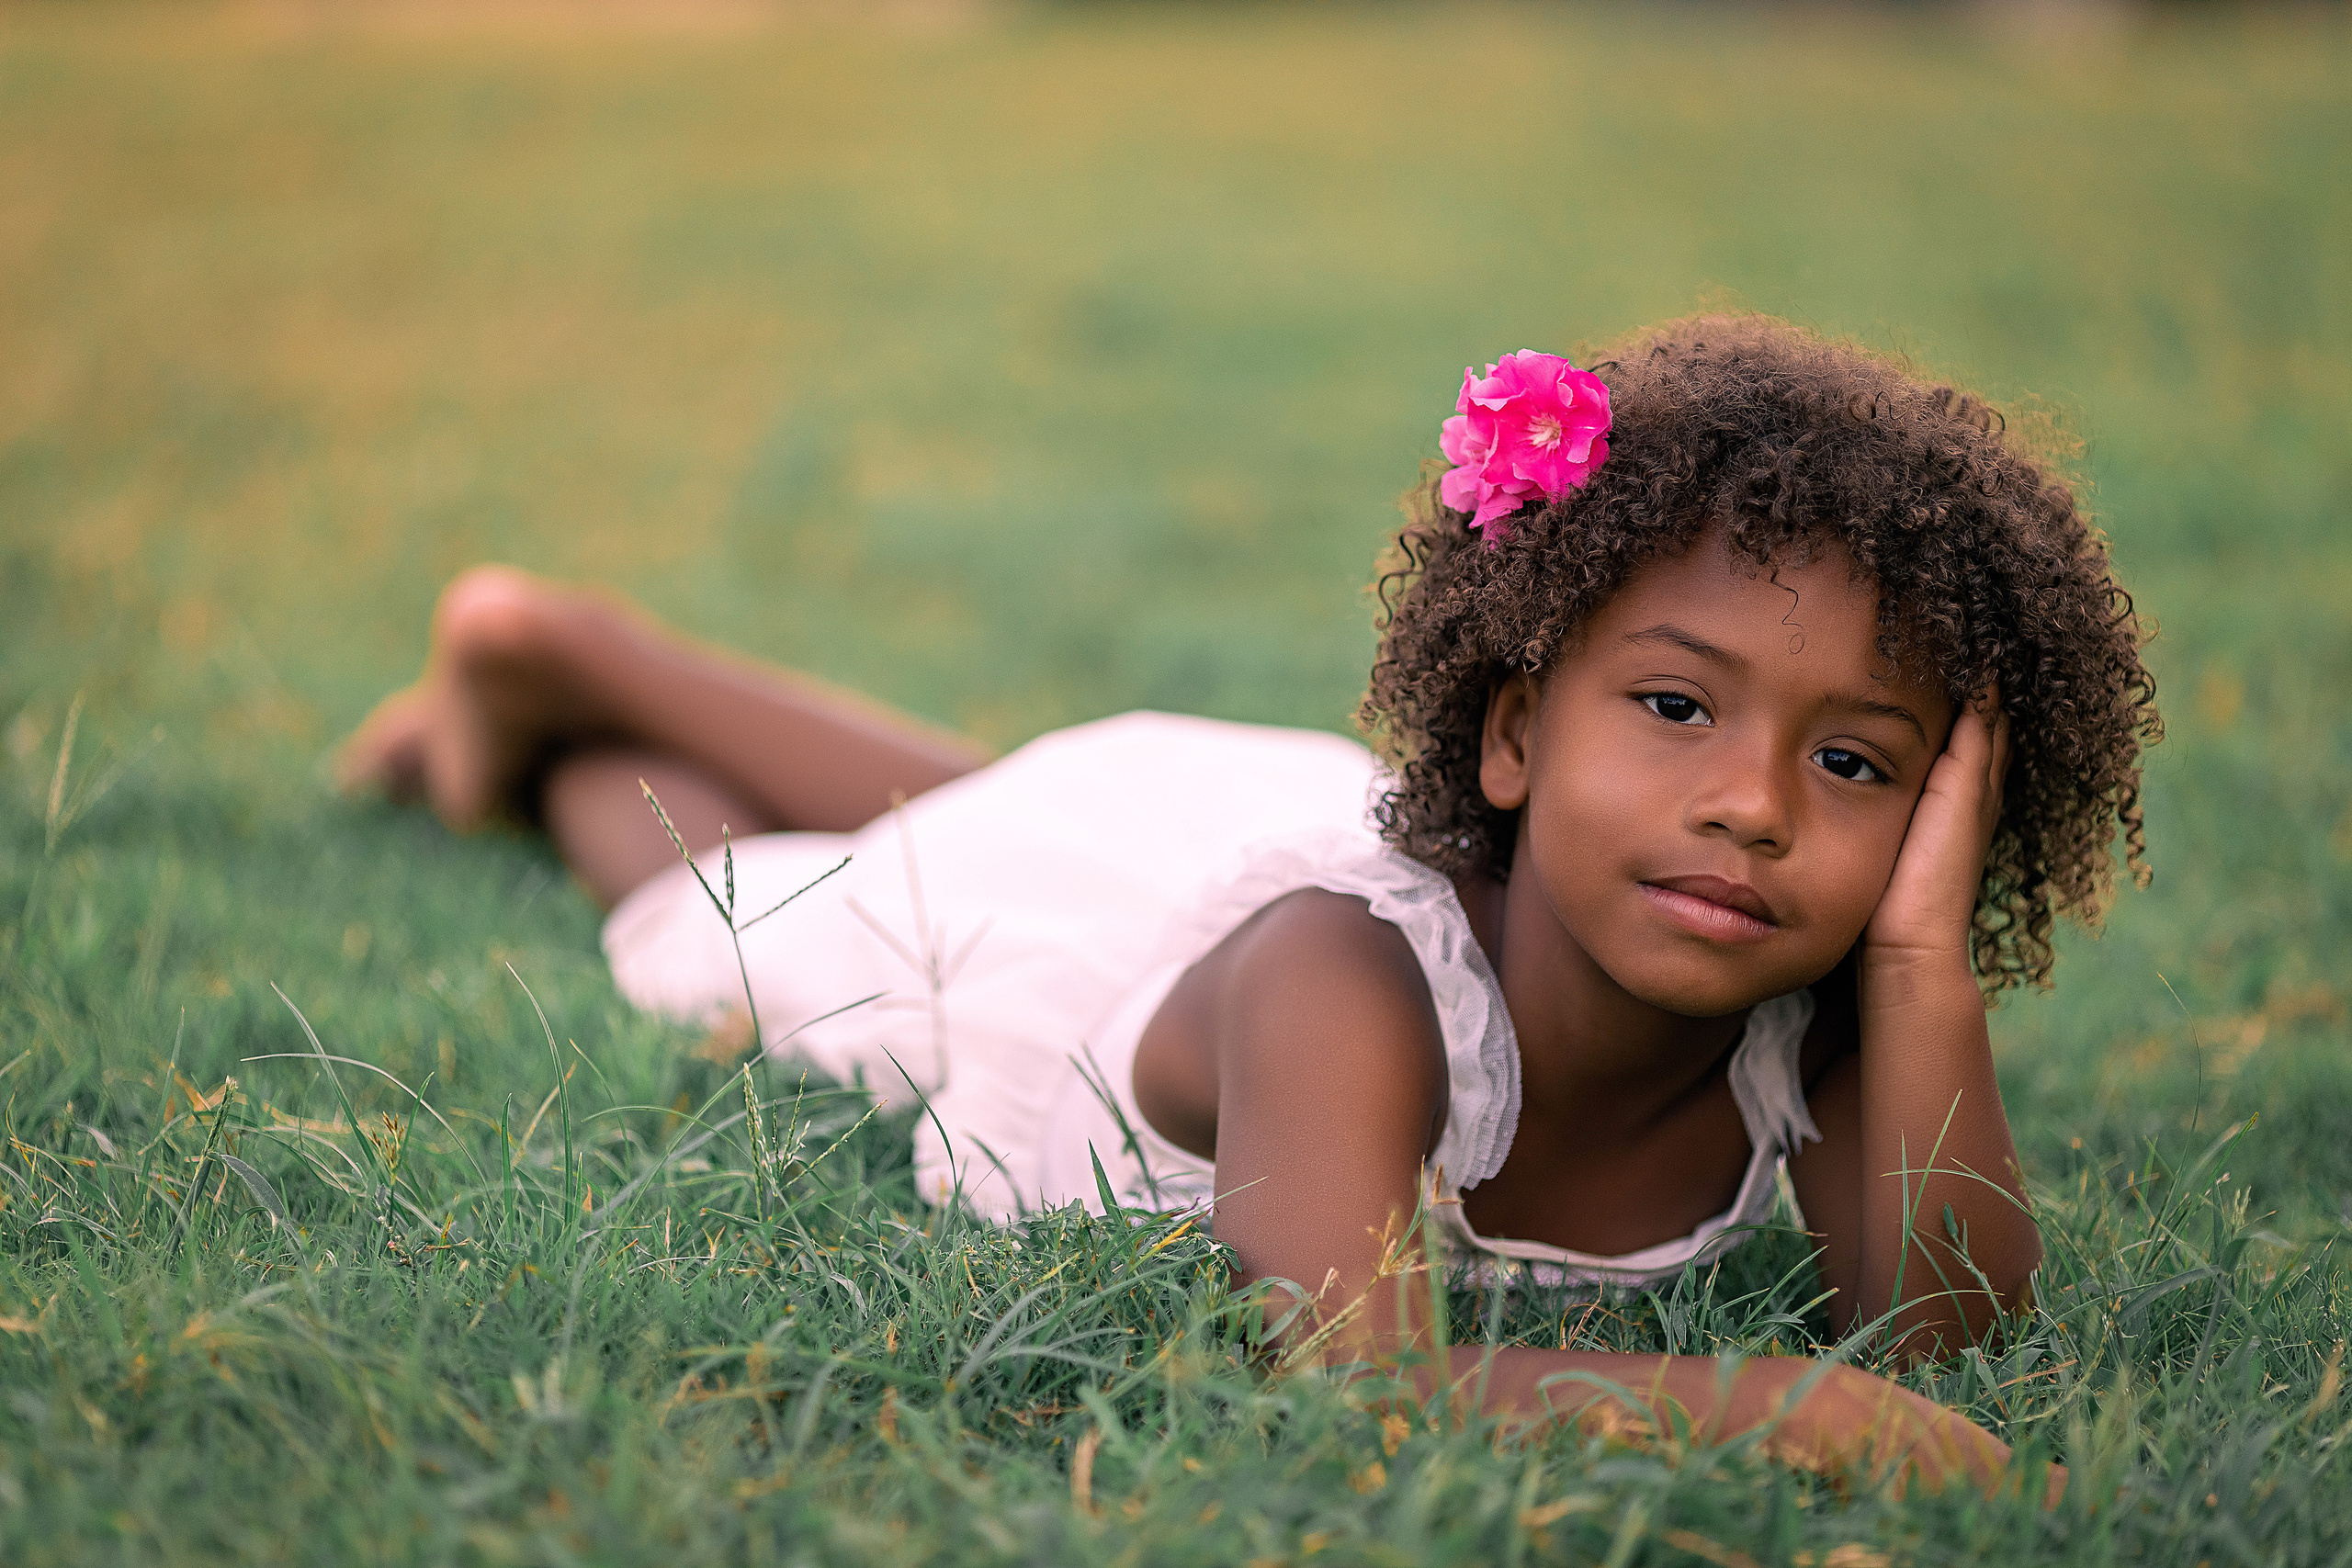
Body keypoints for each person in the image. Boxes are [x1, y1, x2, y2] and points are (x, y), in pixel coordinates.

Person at [336, 314, 2156, 1501]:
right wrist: (1777, 1405)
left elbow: (1938, 1326)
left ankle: (552, 657)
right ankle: (551, 700)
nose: (1751, 803)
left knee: (994, 794)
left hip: (1186, 829)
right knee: (732, 916)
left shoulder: (1803, 995)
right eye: (1673, 706)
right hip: (1071, 977)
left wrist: (1921, 954)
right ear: (1512, 728)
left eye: (1853, 763)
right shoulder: (1340, 980)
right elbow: (1359, 1392)